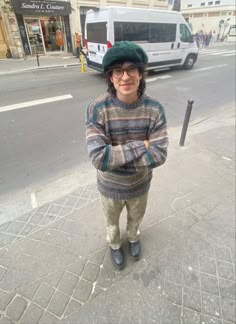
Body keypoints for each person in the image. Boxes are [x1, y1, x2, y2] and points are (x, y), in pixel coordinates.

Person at [86, 41, 168, 270]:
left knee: (136, 219)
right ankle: (114, 245)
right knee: (111, 224)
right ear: (110, 77)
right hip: (109, 188)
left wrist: (116, 156)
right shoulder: (97, 109)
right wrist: (143, 144)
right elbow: (99, 159)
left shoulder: (154, 109)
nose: (125, 76)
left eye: (132, 68)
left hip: (140, 186)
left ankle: (133, 239)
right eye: (118, 70)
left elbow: (159, 154)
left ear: (141, 74)